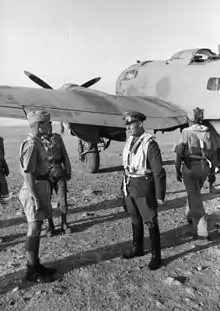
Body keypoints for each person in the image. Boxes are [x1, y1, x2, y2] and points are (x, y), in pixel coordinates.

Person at [122, 111, 166, 270]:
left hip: (144, 187)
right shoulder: (129, 141)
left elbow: (158, 171)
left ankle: (156, 256)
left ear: (140, 123)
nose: (129, 127)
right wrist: (123, 189)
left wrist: (160, 195)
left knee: (151, 221)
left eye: (131, 124)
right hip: (130, 185)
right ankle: (137, 248)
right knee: (134, 218)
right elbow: (126, 166)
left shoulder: (149, 143)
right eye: (127, 124)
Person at [19, 110, 56, 282]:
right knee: (33, 231)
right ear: (39, 125)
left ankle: (36, 264)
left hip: (40, 187)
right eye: (47, 123)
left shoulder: (38, 142)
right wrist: (35, 197)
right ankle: (31, 270)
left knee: (38, 228)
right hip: (33, 189)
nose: (50, 125)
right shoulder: (32, 145)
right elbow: (28, 174)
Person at [175, 107, 212, 239]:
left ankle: (201, 230)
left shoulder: (186, 132)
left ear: (189, 119)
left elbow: (179, 152)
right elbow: (210, 151)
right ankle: (190, 216)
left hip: (190, 167)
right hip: (204, 167)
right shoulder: (207, 131)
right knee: (195, 192)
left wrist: (177, 168)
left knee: (194, 196)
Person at [41, 123, 71, 236]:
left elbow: (65, 155)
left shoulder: (57, 138)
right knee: (47, 202)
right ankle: (51, 225)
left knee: (63, 200)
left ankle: (64, 223)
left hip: (59, 172)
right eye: (47, 126)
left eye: (50, 125)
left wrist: (68, 170)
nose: (49, 128)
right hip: (45, 175)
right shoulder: (38, 140)